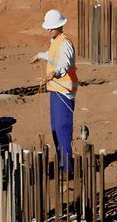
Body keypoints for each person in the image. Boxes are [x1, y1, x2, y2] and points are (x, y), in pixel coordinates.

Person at [30, 10, 78, 172]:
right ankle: (62, 163)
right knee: (55, 129)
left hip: (64, 92)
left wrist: (54, 73)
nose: (49, 30)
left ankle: (67, 169)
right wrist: (40, 55)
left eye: (52, 27)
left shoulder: (65, 44)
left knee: (62, 129)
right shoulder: (55, 41)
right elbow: (53, 55)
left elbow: (63, 63)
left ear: (60, 26)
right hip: (55, 91)